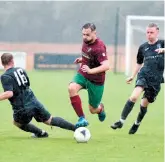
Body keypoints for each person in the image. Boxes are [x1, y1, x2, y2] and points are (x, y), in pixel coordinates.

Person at [0, 53, 76, 138]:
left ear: (2, 63)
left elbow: (9, 93)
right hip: (33, 101)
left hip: (22, 107)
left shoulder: (5, 76)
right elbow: (27, 84)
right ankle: (76, 128)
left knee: (16, 122)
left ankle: (40, 133)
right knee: (49, 120)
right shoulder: (20, 70)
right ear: (12, 61)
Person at [111, 23, 164, 134]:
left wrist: (163, 50)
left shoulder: (162, 43)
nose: (149, 35)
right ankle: (121, 121)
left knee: (144, 104)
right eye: (147, 32)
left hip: (156, 80)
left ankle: (137, 123)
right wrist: (132, 76)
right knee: (134, 96)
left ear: (157, 32)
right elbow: (139, 63)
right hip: (144, 75)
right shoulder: (143, 47)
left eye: (151, 32)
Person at [68, 23, 110, 128]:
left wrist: (91, 71)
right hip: (83, 74)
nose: (84, 37)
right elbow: (90, 55)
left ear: (94, 33)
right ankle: (82, 118)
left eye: (87, 35)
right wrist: (82, 59)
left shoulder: (99, 47)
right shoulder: (86, 41)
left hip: (96, 80)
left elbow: (106, 66)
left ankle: (100, 109)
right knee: (72, 88)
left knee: (93, 109)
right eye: (83, 34)